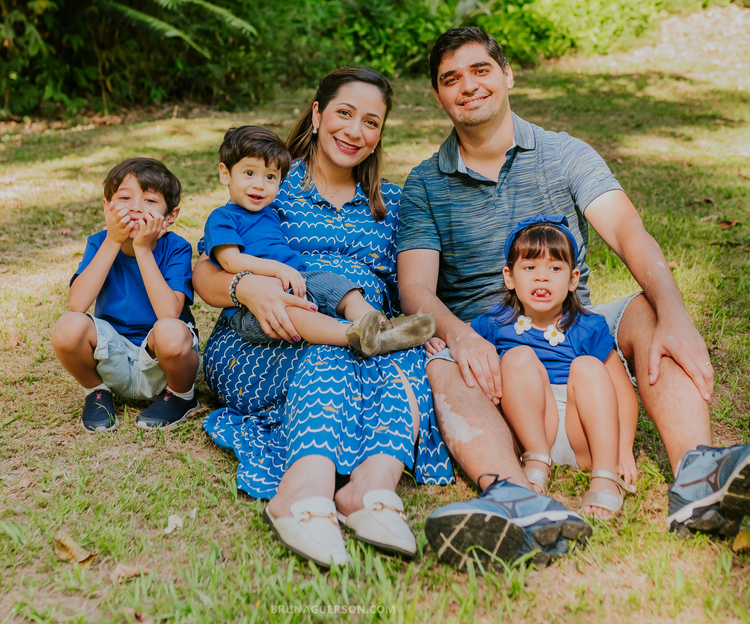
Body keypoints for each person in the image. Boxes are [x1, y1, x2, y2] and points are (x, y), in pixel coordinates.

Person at [398, 26, 750, 570]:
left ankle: (698, 477)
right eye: (451, 79)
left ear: (507, 75)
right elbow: (415, 288)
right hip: (495, 365)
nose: (467, 86)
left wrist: (675, 314)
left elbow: (627, 232)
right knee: (441, 360)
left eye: (480, 71)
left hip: (580, 347)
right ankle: (516, 501)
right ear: (438, 96)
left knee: (647, 309)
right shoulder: (426, 182)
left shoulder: (565, 153)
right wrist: (462, 335)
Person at [192, 67, 453, 568]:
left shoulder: (390, 204)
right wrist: (246, 287)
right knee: (335, 351)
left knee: (406, 358)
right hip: (264, 339)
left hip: (362, 324)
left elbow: (413, 284)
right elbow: (206, 271)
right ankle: (302, 491)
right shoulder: (269, 182)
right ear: (317, 113)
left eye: (371, 122)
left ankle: (371, 492)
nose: (356, 132)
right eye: (345, 113)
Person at [426, 215, 638, 519]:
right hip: (530, 428)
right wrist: (440, 341)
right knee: (517, 357)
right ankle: (537, 461)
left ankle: (605, 476)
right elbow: (462, 346)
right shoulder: (494, 323)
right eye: (530, 268)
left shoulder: (589, 326)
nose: (542, 277)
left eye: (555, 268)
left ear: (573, 279)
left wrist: (624, 446)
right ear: (509, 277)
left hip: (583, 430)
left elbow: (621, 390)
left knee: (589, 367)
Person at [206, 124, 435, 356]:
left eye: (270, 177)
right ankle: (354, 338)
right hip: (256, 305)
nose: (259, 184)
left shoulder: (269, 211)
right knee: (296, 314)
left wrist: (287, 273)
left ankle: (384, 329)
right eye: (249, 173)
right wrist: (277, 270)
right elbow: (230, 261)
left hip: (298, 281)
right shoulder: (222, 217)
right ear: (225, 173)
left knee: (344, 289)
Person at [50, 158, 201, 432]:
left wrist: (143, 249)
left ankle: (181, 397)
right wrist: (113, 241)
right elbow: (78, 303)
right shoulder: (100, 243)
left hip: (162, 362)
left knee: (171, 330)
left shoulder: (176, 248)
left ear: (170, 216)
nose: (135, 207)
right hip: (113, 356)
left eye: (150, 201)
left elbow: (169, 314)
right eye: (124, 198)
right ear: (107, 207)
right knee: (67, 326)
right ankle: (97, 390)